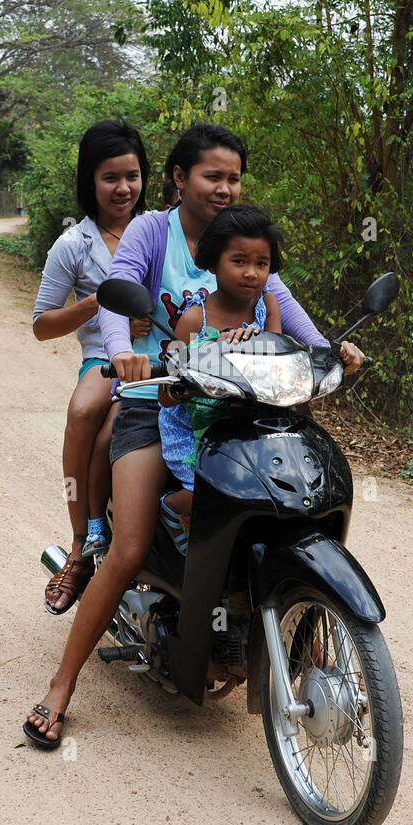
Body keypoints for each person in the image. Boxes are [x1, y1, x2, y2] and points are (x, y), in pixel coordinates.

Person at [24, 122, 365, 748]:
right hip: (162, 395)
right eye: (213, 176)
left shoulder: (244, 240)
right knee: (126, 550)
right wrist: (123, 355)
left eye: (234, 177)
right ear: (180, 178)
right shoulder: (153, 231)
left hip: (237, 403)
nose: (225, 188)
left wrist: (333, 353)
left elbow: (289, 310)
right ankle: (61, 685)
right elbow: (114, 295)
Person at [31, 120, 150, 616]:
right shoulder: (73, 245)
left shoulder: (162, 228)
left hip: (162, 353)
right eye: (109, 178)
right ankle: (80, 546)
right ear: (89, 181)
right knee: (83, 415)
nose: (123, 188)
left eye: (132, 175)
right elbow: (41, 324)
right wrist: (97, 304)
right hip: (104, 358)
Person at [157, 204, 283, 551]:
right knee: (210, 489)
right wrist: (209, 352)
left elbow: (277, 359)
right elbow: (166, 392)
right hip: (195, 424)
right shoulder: (194, 320)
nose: (251, 273)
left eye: (262, 263)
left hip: (248, 419)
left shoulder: (267, 305)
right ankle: (172, 508)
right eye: (239, 261)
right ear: (213, 262)